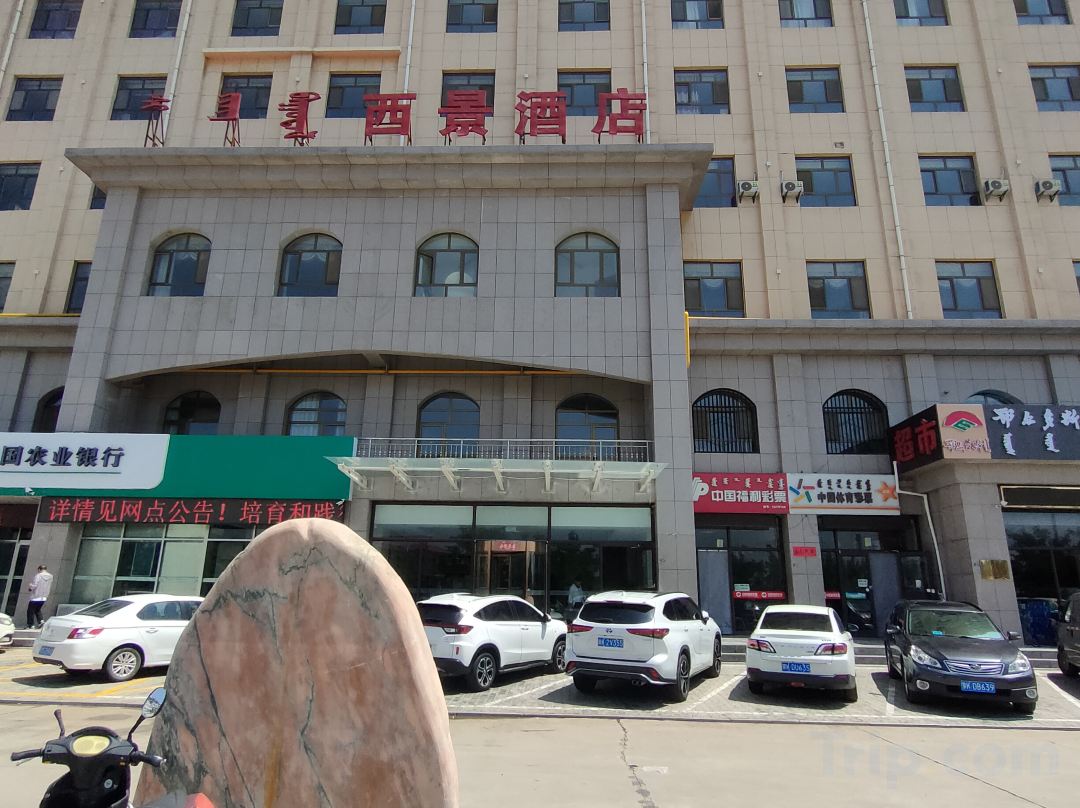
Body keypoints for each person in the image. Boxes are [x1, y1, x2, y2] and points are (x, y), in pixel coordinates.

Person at [27, 565, 53, 629]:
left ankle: (31, 625)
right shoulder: (51, 576)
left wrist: (30, 586)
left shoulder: (38, 575)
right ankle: (41, 621)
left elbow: (35, 585)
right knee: (37, 609)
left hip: (36, 596)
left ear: (39, 569)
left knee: (30, 611)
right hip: (44, 596)